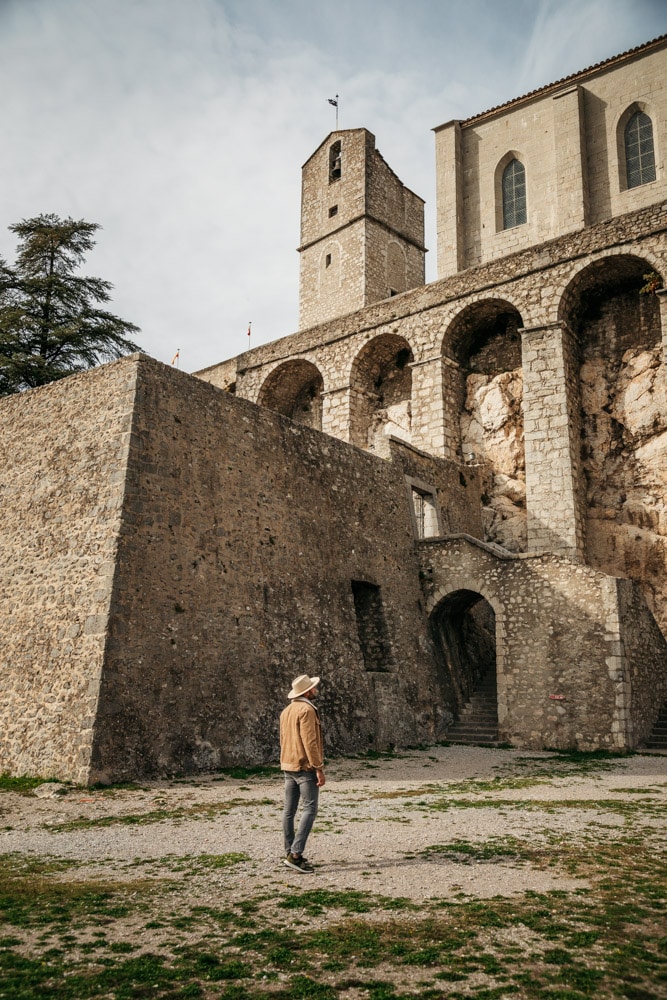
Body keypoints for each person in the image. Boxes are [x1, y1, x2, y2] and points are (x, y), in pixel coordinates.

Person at [280, 674, 325, 873]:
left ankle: (289, 851)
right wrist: (318, 767)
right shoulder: (307, 710)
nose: (316, 690)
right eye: (314, 688)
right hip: (304, 767)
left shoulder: (286, 711)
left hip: (287, 765)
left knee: (289, 811)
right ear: (307, 691)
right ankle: (296, 855)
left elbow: (283, 739)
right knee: (310, 809)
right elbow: (310, 742)